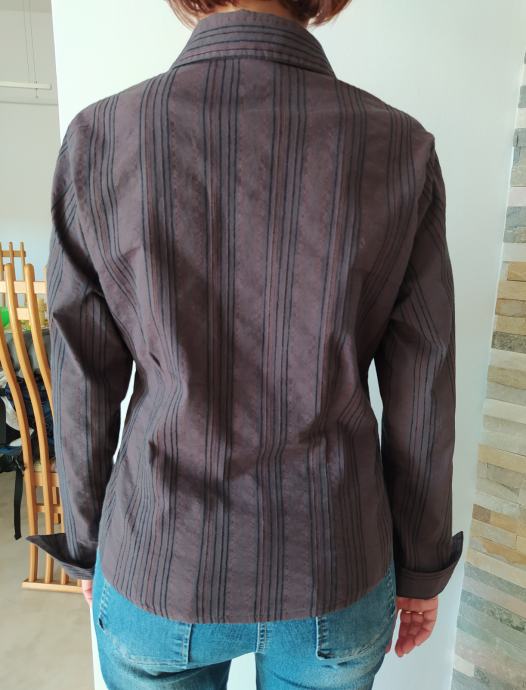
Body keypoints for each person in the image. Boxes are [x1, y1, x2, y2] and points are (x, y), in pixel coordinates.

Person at [26, 0, 464, 687]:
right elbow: (424, 387)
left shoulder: (100, 139)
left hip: (160, 561)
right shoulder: (398, 148)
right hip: (334, 566)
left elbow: (81, 378)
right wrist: (420, 566)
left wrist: (87, 547)